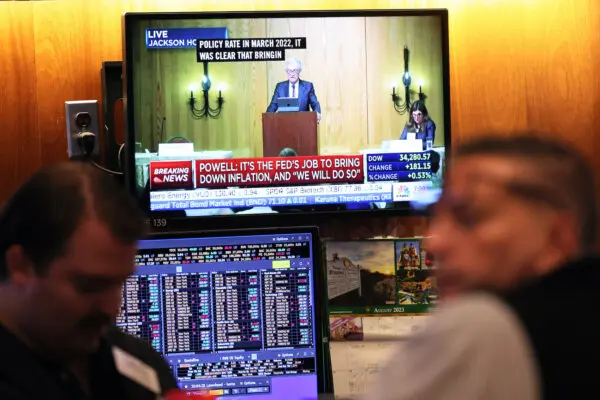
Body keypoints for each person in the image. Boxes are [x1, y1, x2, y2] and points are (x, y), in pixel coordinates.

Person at [368, 135, 599, 400]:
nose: (434, 244)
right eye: (436, 218)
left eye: (469, 218)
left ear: (557, 238)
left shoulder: (477, 325)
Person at [0, 162, 178, 398]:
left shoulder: (141, 365)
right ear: (20, 265)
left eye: (119, 283)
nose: (113, 308)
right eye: (90, 286)